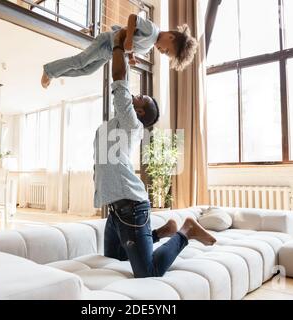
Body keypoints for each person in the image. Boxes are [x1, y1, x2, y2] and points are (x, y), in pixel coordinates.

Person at [93, 29, 216, 278]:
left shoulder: (131, 123)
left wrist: (119, 44)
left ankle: (185, 232)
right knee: (115, 256)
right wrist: (127, 56)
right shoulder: (120, 122)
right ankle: (162, 232)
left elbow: (118, 77)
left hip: (131, 207)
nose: (135, 95)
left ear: (138, 112)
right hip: (116, 209)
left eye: (140, 98)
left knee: (147, 271)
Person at [41, 14, 198, 88]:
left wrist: (131, 56)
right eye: (166, 51)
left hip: (109, 53)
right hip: (107, 42)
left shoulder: (149, 46)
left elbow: (130, 45)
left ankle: (55, 73)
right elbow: (132, 18)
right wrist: (129, 38)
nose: (162, 51)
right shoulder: (152, 30)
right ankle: (49, 70)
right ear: (170, 37)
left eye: (164, 54)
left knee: (87, 71)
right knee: (80, 61)